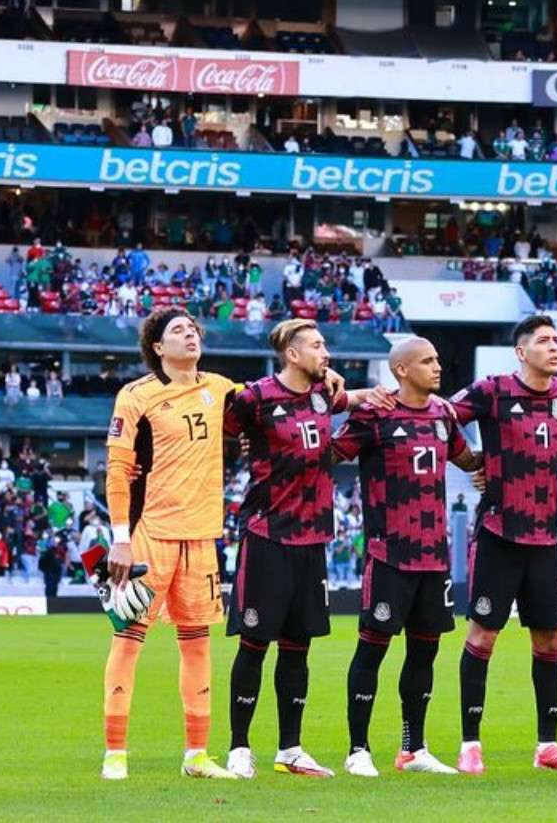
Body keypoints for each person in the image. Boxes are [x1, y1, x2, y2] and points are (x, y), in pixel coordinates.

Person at [224, 318, 376, 780]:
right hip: (268, 534)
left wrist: (385, 392)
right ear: (292, 354)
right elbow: (221, 429)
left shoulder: (322, 395)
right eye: (316, 345)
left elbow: (352, 400)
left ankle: (290, 748)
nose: (325, 352)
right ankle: (238, 748)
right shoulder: (254, 397)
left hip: (314, 538)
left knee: (298, 647)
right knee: (254, 644)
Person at [447, 315, 557, 773]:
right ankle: (470, 744)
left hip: (544, 538)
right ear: (520, 351)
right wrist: (472, 458)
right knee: (483, 635)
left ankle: (547, 746)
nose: (555, 348)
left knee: (550, 640)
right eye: (545, 341)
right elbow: (440, 416)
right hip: (498, 533)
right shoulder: (492, 390)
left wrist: (551, 456)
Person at [99, 308, 240, 781]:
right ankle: (115, 754)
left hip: (201, 537)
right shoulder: (136, 395)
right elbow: (118, 469)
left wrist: (341, 385)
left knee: (198, 645)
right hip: (148, 536)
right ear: (158, 347)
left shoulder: (221, 389)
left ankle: (197, 757)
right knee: (128, 641)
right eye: (178, 330)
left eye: (194, 329)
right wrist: (120, 540)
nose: (190, 334)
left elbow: (280, 402)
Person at [335, 335, 477, 777]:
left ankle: (413, 749)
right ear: (401, 369)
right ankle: (358, 749)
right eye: (427, 361)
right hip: (389, 553)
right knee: (372, 650)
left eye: (437, 358)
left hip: (434, 557)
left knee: (424, 653)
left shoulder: (443, 416)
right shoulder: (374, 415)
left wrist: (509, 462)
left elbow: (468, 460)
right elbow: (327, 454)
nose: (438, 367)